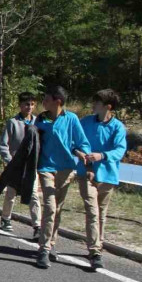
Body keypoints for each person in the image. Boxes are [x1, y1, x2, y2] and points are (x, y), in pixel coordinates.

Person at [34, 85, 91, 269]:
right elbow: (32, 143)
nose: (43, 101)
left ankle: (51, 244)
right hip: (46, 167)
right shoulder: (40, 120)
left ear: (57, 101)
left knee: (57, 208)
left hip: (66, 169)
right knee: (49, 206)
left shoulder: (72, 118)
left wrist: (83, 154)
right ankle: (43, 249)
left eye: (46, 98)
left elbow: (81, 142)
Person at [76, 89, 126, 270]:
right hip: (86, 174)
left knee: (101, 215)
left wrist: (102, 155)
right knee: (92, 211)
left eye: (97, 102)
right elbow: (75, 141)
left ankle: (98, 245)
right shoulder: (86, 122)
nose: (93, 105)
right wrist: (81, 154)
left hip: (108, 176)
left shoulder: (118, 127)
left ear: (108, 107)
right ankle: (95, 251)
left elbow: (120, 151)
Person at [0, 92, 41, 235]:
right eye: (26, 104)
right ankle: (5, 218)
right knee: (11, 193)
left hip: (31, 166)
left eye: (32, 104)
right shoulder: (13, 123)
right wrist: (9, 161)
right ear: (20, 105)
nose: (29, 107)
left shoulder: (38, 122)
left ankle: (37, 225)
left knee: (33, 194)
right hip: (15, 165)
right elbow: (4, 144)